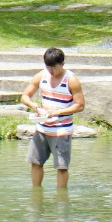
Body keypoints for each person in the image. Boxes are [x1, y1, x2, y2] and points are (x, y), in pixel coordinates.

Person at [20, 47, 83, 190]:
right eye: (48, 67)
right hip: (42, 127)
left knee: (61, 166)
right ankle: (36, 193)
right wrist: (35, 107)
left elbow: (80, 105)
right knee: (35, 162)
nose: (51, 71)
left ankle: (61, 199)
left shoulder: (71, 80)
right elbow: (24, 96)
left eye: (54, 68)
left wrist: (58, 112)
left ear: (63, 64)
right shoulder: (41, 76)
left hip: (61, 130)